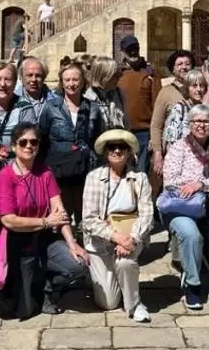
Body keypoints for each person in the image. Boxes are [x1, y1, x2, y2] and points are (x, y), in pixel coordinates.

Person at [0, 123, 89, 319]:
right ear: (14, 147)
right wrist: (46, 222)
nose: (28, 146)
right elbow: (9, 220)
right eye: (23, 142)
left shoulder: (45, 173)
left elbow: (60, 213)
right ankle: (2, 289)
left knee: (78, 264)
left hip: (42, 240)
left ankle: (48, 290)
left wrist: (72, 243)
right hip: (13, 243)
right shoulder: (5, 178)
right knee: (22, 308)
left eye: (33, 142)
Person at [163, 105, 209, 310]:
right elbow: (170, 180)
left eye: (205, 121)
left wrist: (202, 185)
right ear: (189, 124)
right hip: (181, 205)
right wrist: (203, 187)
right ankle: (192, 285)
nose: (201, 125)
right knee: (190, 235)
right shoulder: (179, 148)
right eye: (197, 121)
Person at [81, 129, 154, 322]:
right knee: (109, 303)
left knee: (125, 262)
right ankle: (115, 283)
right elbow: (88, 220)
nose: (117, 151)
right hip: (100, 241)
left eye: (122, 147)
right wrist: (116, 237)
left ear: (129, 151)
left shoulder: (140, 178)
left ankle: (134, 304)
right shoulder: (93, 178)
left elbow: (147, 214)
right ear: (105, 152)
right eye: (111, 147)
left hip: (131, 236)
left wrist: (131, 239)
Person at [40, 62, 104, 226]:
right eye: (67, 80)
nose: (71, 84)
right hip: (59, 168)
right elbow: (43, 136)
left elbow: (99, 138)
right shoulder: (51, 108)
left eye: (75, 79)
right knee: (63, 212)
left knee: (85, 211)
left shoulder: (93, 108)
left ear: (83, 81)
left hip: (85, 168)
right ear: (62, 83)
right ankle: (65, 245)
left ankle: (83, 243)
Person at [150, 50, 194, 175]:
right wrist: (158, 154)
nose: (184, 67)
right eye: (179, 64)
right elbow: (156, 125)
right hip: (173, 152)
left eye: (187, 64)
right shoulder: (165, 93)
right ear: (173, 70)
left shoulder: (199, 90)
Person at [118, 36, 155, 172]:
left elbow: (157, 104)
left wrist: (154, 134)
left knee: (141, 173)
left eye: (135, 49)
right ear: (122, 52)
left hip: (144, 133)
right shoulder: (117, 73)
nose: (133, 53)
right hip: (122, 132)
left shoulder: (149, 73)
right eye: (129, 50)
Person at [86, 56, 127, 129]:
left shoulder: (119, 93)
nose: (119, 77)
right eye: (115, 75)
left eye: (119, 74)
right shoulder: (88, 98)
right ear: (104, 76)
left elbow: (126, 124)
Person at [16, 56, 53, 121]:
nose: (34, 79)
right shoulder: (13, 101)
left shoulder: (56, 102)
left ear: (44, 77)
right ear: (21, 77)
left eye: (38, 76)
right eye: (29, 75)